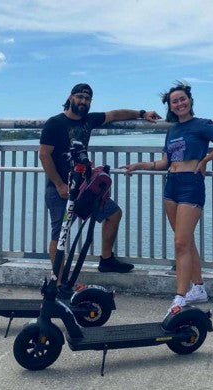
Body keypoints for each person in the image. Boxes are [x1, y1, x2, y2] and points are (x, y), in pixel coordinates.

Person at [122, 81, 213, 312]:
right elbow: (165, 162)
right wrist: (141, 164)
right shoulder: (172, 130)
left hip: (190, 185)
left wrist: (205, 160)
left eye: (183, 99)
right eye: (175, 101)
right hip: (171, 185)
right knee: (185, 240)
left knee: (180, 243)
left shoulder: (202, 125)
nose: (180, 103)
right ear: (170, 107)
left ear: (190, 101)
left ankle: (179, 298)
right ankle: (199, 288)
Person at [39, 83, 162, 274]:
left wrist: (142, 113)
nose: (83, 101)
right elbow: (44, 155)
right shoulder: (54, 123)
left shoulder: (89, 120)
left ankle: (106, 260)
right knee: (60, 234)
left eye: (87, 99)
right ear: (70, 97)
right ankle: (59, 282)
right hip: (60, 190)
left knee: (113, 214)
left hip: (85, 187)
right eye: (79, 97)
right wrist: (59, 184)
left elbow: (114, 115)